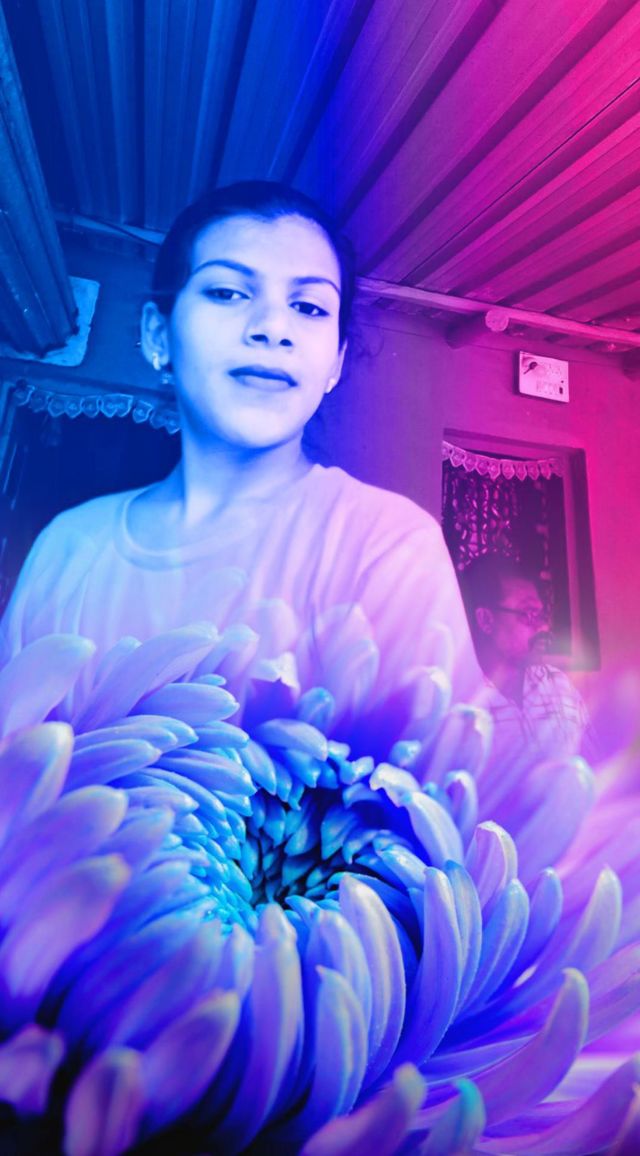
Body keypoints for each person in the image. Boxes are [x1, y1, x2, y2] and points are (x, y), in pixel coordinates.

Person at [0, 181, 481, 745]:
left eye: (309, 306)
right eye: (228, 292)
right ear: (158, 335)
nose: (274, 328)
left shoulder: (387, 545)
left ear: (335, 363)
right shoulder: (67, 548)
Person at [459, 552, 595, 762]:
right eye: (528, 614)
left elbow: (595, 763)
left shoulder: (558, 685)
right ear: (486, 620)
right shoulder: (462, 704)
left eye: (541, 615)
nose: (543, 627)